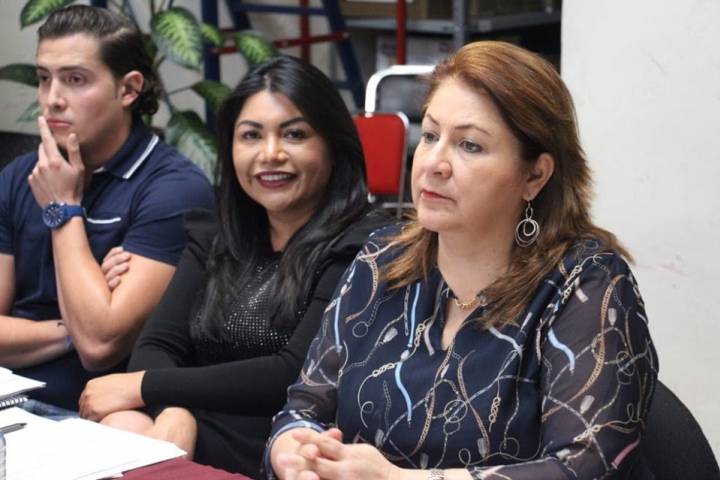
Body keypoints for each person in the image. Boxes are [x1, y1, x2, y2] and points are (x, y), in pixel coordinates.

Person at [268, 41, 659, 480]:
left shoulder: (587, 283)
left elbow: (585, 467)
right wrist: (293, 451)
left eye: (469, 145)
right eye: (430, 136)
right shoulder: (382, 258)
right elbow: (304, 406)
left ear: (534, 175)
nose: (434, 163)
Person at [77, 55, 388, 478]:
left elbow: (291, 373)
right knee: (123, 424)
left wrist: (147, 387)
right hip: (195, 421)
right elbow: (158, 345)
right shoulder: (217, 235)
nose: (270, 154)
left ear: (333, 145)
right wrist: (175, 410)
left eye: (294, 134)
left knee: (126, 425)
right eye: (251, 136)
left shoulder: (362, 244)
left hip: (287, 444)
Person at [0, 5, 215, 412]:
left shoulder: (174, 189)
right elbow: (87, 330)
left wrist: (63, 209)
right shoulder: (19, 176)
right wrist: (71, 324)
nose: (52, 99)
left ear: (129, 89)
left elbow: (98, 345)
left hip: (91, 416)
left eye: (75, 79)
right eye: (44, 78)